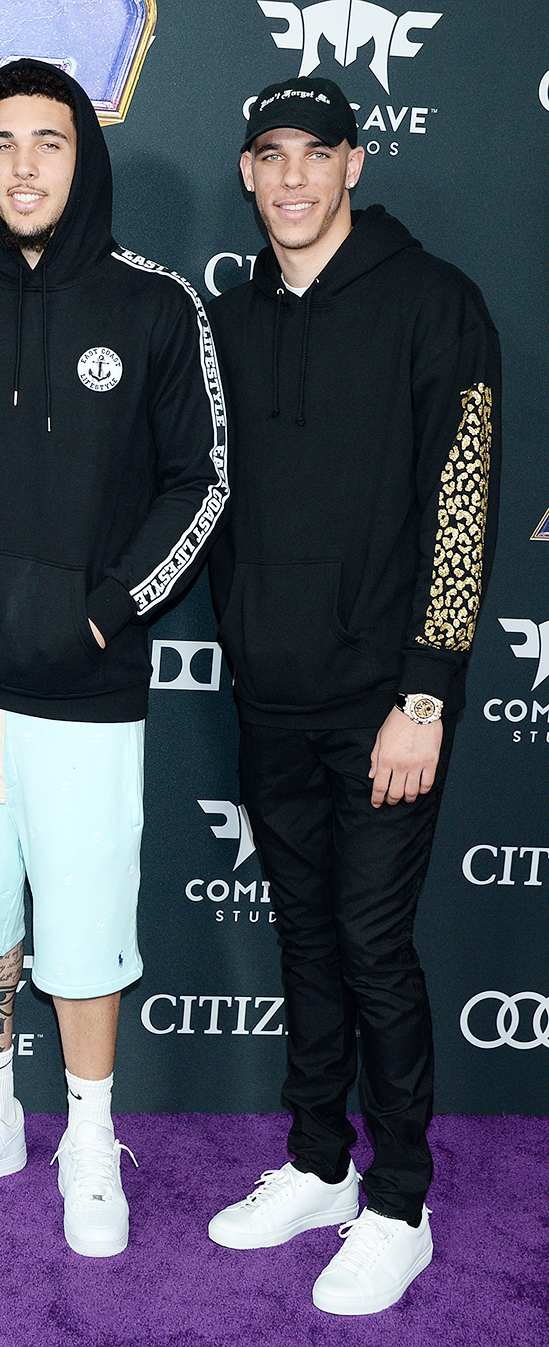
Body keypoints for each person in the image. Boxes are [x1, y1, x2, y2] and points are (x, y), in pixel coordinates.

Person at [0, 59, 227, 1258]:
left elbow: (202, 483)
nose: (24, 166)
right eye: (0, 144)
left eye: (50, 142)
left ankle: (86, 1137)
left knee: (80, 928)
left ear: (86, 159)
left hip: (86, 693)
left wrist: (104, 613)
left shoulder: (155, 307)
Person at [205, 77, 499, 1314]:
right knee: (308, 939)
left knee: (374, 944)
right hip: (268, 694)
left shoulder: (437, 304)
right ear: (246, 173)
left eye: (313, 155)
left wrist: (425, 694)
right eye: (269, 157)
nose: (291, 179)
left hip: (386, 704)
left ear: (355, 164)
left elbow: (462, 499)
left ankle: (400, 1199)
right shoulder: (224, 321)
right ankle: (320, 1163)